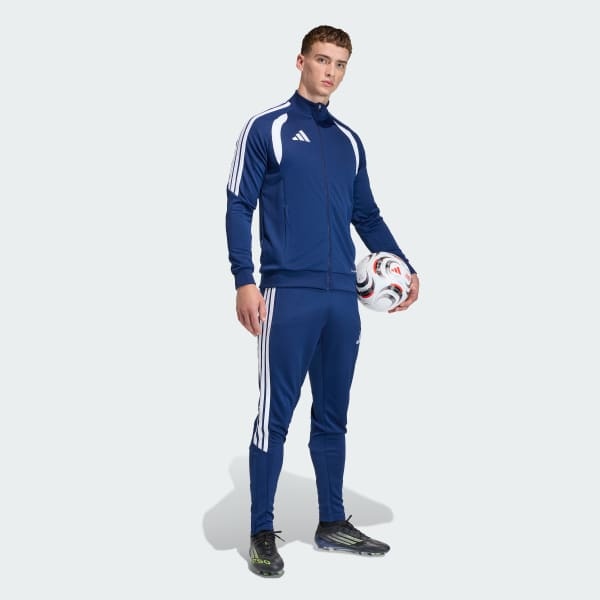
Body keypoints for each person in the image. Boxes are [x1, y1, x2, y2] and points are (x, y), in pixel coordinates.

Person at [225, 24, 420, 577]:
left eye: (339, 63)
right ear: (301, 61)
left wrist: (404, 267)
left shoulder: (349, 140)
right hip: (287, 294)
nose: (330, 71)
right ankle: (261, 531)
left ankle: (331, 522)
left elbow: (367, 216)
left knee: (333, 415)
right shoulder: (268, 127)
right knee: (275, 415)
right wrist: (244, 279)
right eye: (321, 60)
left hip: (341, 299)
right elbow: (238, 204)